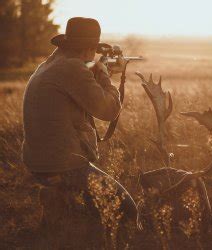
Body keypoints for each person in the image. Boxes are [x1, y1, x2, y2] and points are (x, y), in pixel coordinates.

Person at [22, 17, 138, 236]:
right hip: (63, 164)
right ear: (90, 48)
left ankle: (61, 204)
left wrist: (97, 71)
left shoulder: (50, 64)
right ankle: (61, 202)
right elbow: (110, 110)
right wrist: (104, 73)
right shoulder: (73, 68)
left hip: (38, 161)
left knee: (96, 208)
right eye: (94, 51)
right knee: (129, 213)